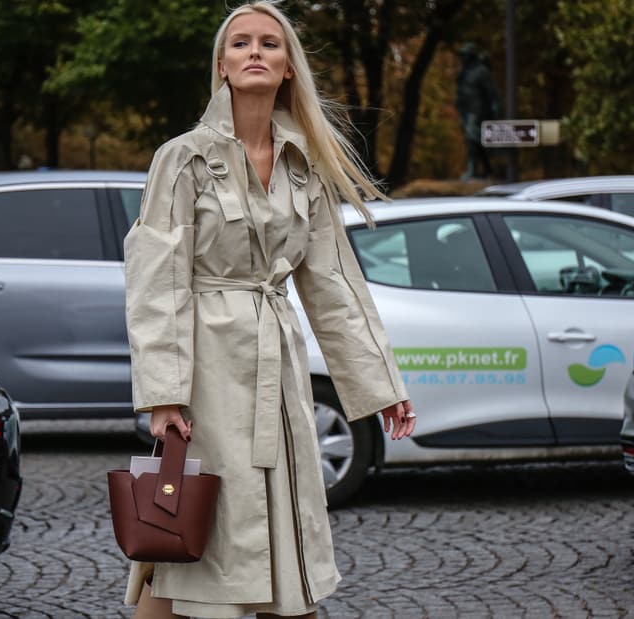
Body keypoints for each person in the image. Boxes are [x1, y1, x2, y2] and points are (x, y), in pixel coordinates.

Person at [122, 2, 415, 618]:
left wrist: (381, 384)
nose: (255, 52)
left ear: (288, 68)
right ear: (223, 67)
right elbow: (156, 282)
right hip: (205, 371)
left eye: (269, 44)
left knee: (280, 527)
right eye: (240, 44)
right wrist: (164, 395)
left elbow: (334, 283)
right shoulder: (182, 159)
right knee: (191, 527)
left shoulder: (305, 165)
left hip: (276, 371)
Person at [455, 43, 501, 180]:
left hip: (478, 110)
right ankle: (487, 168)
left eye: (465, 55)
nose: (462, 58)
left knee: (472, 138)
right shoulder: (464, 72)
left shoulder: (481, 71)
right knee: (474, 140)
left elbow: (492, 91)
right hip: (465, 110)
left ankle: (473, 169)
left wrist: (495, 107)